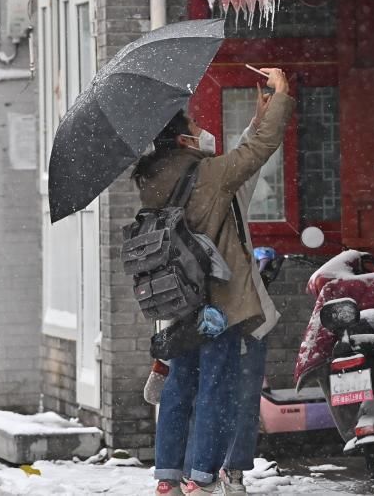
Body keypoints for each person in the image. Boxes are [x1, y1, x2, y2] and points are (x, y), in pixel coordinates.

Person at [133, 69, 294, 496]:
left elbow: (242, 153)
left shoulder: (151, 179)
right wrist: (281, 97)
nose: (203, 131)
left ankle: (167, 475)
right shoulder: (207, 175)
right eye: (194, 126)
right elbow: (257, 152)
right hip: (217, 299)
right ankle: (200, 477)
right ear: (183, 139)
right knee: (217, 388)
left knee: (180, 386)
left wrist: (256, 118)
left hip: (179, 299)